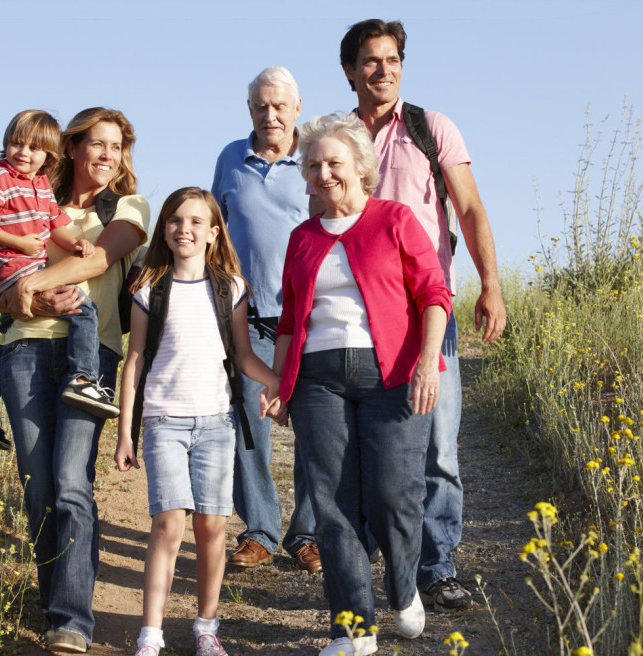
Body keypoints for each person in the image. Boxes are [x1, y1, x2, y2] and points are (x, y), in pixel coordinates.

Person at [327, 18, 508, 611]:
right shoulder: (336, 139)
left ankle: (437, 565)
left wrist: (490, 285)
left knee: (439, 446)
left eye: (393, 59)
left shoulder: (433, 129)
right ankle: (378, 561)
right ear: (350, 70)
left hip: (430, 309)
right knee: (363, 444)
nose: (384, 70)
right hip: (358, 316)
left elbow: (472, 209)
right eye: (371, 61)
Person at [275, 113, 451, 656]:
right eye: (313, 165)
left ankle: (403, 589)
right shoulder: (302, 237)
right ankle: (354, 628)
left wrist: (426, 362)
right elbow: (287, 322)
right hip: (316, 382)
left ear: (360, 167)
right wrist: (282, 385)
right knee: (331, 503)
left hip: (392, 375)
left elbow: (434, 296)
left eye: (333, 162)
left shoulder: (394, 219)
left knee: (392, 492)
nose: (323, 173)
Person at [0, 107, 150, 653]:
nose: (106, 155)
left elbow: (98, 260)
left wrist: (34, 287)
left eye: (116, 147)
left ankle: (72, 620)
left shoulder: (127, 206)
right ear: (71, 149)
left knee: (72, 482)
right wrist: (24, 299)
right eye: (96, 144)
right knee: (39, 488)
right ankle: (55, 598)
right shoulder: (29, 200)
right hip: (22, 350)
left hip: (89, 355)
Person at [114, 187, 282, 656]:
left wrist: (280, 385)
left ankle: (207, 628)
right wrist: (126, 432)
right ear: (164, 229)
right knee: (168, 525)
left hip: (217, 424)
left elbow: (245, 357)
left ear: (213, 232)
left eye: (194, 221)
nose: (182, 229)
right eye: (174, 220)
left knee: (212, 527)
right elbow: (135, 360)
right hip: (164, 422)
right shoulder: (148, 288)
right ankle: (151, 635)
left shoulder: (230, 287)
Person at [210, 66, 319, 572]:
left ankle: (309, 534)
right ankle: (259, 530)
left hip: (308, 319)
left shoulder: (316, 156)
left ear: (297, 108)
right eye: (260, 106)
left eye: (279, 106)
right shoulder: (231, 158)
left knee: (315, 428)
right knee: (248, 427)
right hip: (247, 318)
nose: (270, 115)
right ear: (249, 109)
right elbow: (216, 230)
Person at [0, 110, 118, 451]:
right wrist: (21, 243)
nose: (23, 152)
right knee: (83, 307)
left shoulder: (41, 185)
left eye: (34, 147)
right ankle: (83, 379)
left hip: (26, 269)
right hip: (12, 267)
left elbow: (55, 223)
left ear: (49, 154)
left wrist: (73, 243)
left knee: (8, 328)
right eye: (17, 143)